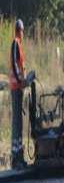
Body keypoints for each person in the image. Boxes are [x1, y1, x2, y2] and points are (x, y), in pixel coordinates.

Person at [9, 19, 26, 169]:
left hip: (19, 87)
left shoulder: (19, 44)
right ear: (19, 30)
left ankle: (19, 154)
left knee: (19, 123)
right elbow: (15, 64)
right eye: (22, 30)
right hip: (15, 87)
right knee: (16, 122)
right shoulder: (15, 43)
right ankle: (15, 157)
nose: (23, 33)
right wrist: (20, 79)